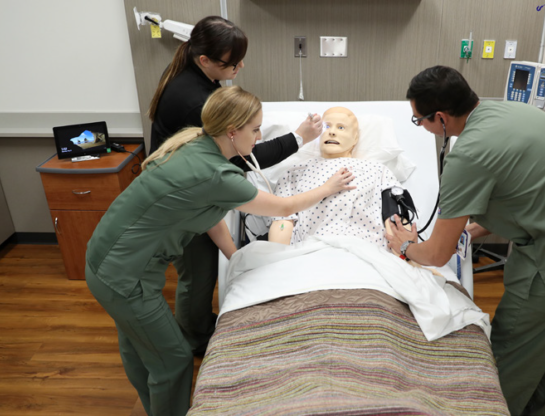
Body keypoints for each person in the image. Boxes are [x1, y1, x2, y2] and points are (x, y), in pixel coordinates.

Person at [85, 86, 355, 416]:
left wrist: (237, 257)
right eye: (255, 129)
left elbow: (210, 216)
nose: (258, 136)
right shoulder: (218, 175)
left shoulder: (194, 143)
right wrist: (328, 188)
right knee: (174, 359)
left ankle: (151, 403)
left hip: (104, 256)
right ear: (232, 131)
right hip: (126, 276)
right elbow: (284, 207)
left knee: (138, 345)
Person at [386, 66, 545, 416]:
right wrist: (471, 229)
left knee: (509, 362)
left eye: (420, 120)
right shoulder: (516, 112)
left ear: (440, 118)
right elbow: (527, 189)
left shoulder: (467, 154)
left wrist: (405, 247)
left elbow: (438, 254)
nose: (421, 127)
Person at [147, 15, 323, 355]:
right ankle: (195, 341)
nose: (240, 66)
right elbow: (248, 165)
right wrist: (299, 140)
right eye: (233, 62)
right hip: (178, 202)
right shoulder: (194, 101)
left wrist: (233, 255)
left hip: (187, 191)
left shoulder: (198, 81)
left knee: (202, 272)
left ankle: (199, 326)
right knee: (197, 276)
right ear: (205, 60)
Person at [268, 106, 401, 248]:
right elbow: (281, 221)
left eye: (341, 128)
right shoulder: (294, 173)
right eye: (326, 126)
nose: (331, 132)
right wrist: (279, 262)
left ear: (355, 137)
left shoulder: (378, 171)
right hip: (310, 252)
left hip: (364, 250)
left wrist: (406, 260)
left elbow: (395, 220)